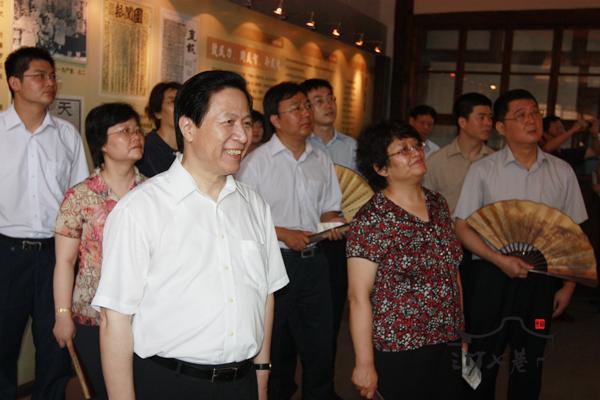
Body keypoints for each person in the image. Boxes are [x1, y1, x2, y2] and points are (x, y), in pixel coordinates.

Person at [91, 70, 288, 400]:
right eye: (228, 122)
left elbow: (266, 294)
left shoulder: (254, 205)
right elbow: (116, 319)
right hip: (170, 382)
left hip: (242, 384)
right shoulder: (141, 209)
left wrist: (262, 375)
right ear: (188, 127)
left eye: (246, 122)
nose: (243, 135)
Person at [454, 89, 587, 400]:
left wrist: (568, 285)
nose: (531, 120)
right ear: (501, 127)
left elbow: (573, 233)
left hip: (541, 282)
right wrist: (499, 260)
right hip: (491, 277)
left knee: (530, 359)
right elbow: (462, 227)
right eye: (521, 115)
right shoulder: (484, 170)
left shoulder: (562, 171)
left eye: (534, 113)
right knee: (483, 357)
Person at [237, 81, 345, 400]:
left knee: (320, 342)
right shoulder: (255, 162)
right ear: (275, 119)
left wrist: (333, 224)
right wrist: (284, 234)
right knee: (278, 343)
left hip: (315, 262)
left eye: (306, 106)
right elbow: (242, 219)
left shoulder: (321, 158)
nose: (306, 113)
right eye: (296, 108)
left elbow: (329, 207)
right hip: (276, 262)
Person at [347, 121, 464, 400]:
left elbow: (453, 272)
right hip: (401, 344)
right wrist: (364, 364)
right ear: (381, 168)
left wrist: (461, 333)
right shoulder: (372, 218)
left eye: (416, 146)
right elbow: (358, 297)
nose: (415, 153)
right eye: (403, 150)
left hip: (447, 337)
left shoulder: (438, 204)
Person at [0, 46, 88, 399]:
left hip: (57, 254)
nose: (50, 82)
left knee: (56, 343)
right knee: (2, 339)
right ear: (14, 82)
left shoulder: (67, 135)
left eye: (52, 76)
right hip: (6, 253)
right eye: (40, 76)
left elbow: (79, 198)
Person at [52, 103, 146, 399]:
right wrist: (63, 315)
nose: (136, 136)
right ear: (102, 143)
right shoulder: (79, 196)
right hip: (93, 317)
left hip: (144, 315)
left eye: (137, 129)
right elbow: (65, 262)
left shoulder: (152, 193)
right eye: (124, 131)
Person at [424, 93, 494, 214]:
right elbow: (424, 206)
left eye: (490, 117)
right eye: (481, 117)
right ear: (462, 122)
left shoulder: (495, 161)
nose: (488, 123)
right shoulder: (437, 161)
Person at [302, 78, 357, 171]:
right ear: (306, 107)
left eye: (330, 99)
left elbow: (359, 180)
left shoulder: (351, 146)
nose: (328, 105)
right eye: (319, 101)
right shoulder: (301, 145)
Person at [137, 81, 181, 177]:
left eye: (184, 101)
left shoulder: (192, 147)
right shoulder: (145, 149)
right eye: (173, 101)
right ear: (158, 113)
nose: (181, 106)